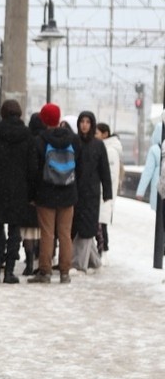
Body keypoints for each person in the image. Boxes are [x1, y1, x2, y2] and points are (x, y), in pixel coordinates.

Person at [0, 99, 37, 283]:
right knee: (15, 231)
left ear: (2, 113)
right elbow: (32, 167)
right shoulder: (27, 136)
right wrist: (29, 189)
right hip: (19, 190)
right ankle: (10, 271)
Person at [29, 103, 78, 284]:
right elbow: (78, 165)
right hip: (68, 191)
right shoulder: (73, 140)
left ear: (43, 119)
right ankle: (65, 272)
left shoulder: (40, 140)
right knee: (65, 233)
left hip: (46, 192)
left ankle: (45, 272)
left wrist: (32, 194)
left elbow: (34, 170)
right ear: (59, 118)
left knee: (47, 233)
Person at [71, 111, 112, 272]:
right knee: (78, 226)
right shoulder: (74, 142)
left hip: (92, 193)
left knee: (87, 227)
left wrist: (107, 192)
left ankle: (79, 264)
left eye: (88, 122)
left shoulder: (98, 145)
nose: (84, 125)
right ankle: (95, 262)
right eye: (82, 121)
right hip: (75, 191)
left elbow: (104, 170)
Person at [20, 113, 45, 275]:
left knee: (27, 229)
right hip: (44, 190)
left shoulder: (27, 141)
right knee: (43, 229)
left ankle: (29, 263)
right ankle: (40, 260)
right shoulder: (44, 142)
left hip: (26, 190)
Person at [95, 122, 123, 254]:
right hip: (102, 193)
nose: (94, 135)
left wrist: (100, 187)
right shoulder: (104, 148)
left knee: (101, 223)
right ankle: (101, 249)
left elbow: (110, 175)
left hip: (103, 194)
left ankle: (103, 249)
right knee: (100, 223)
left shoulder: (110, 151)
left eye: (97, 133)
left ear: (105, 134)